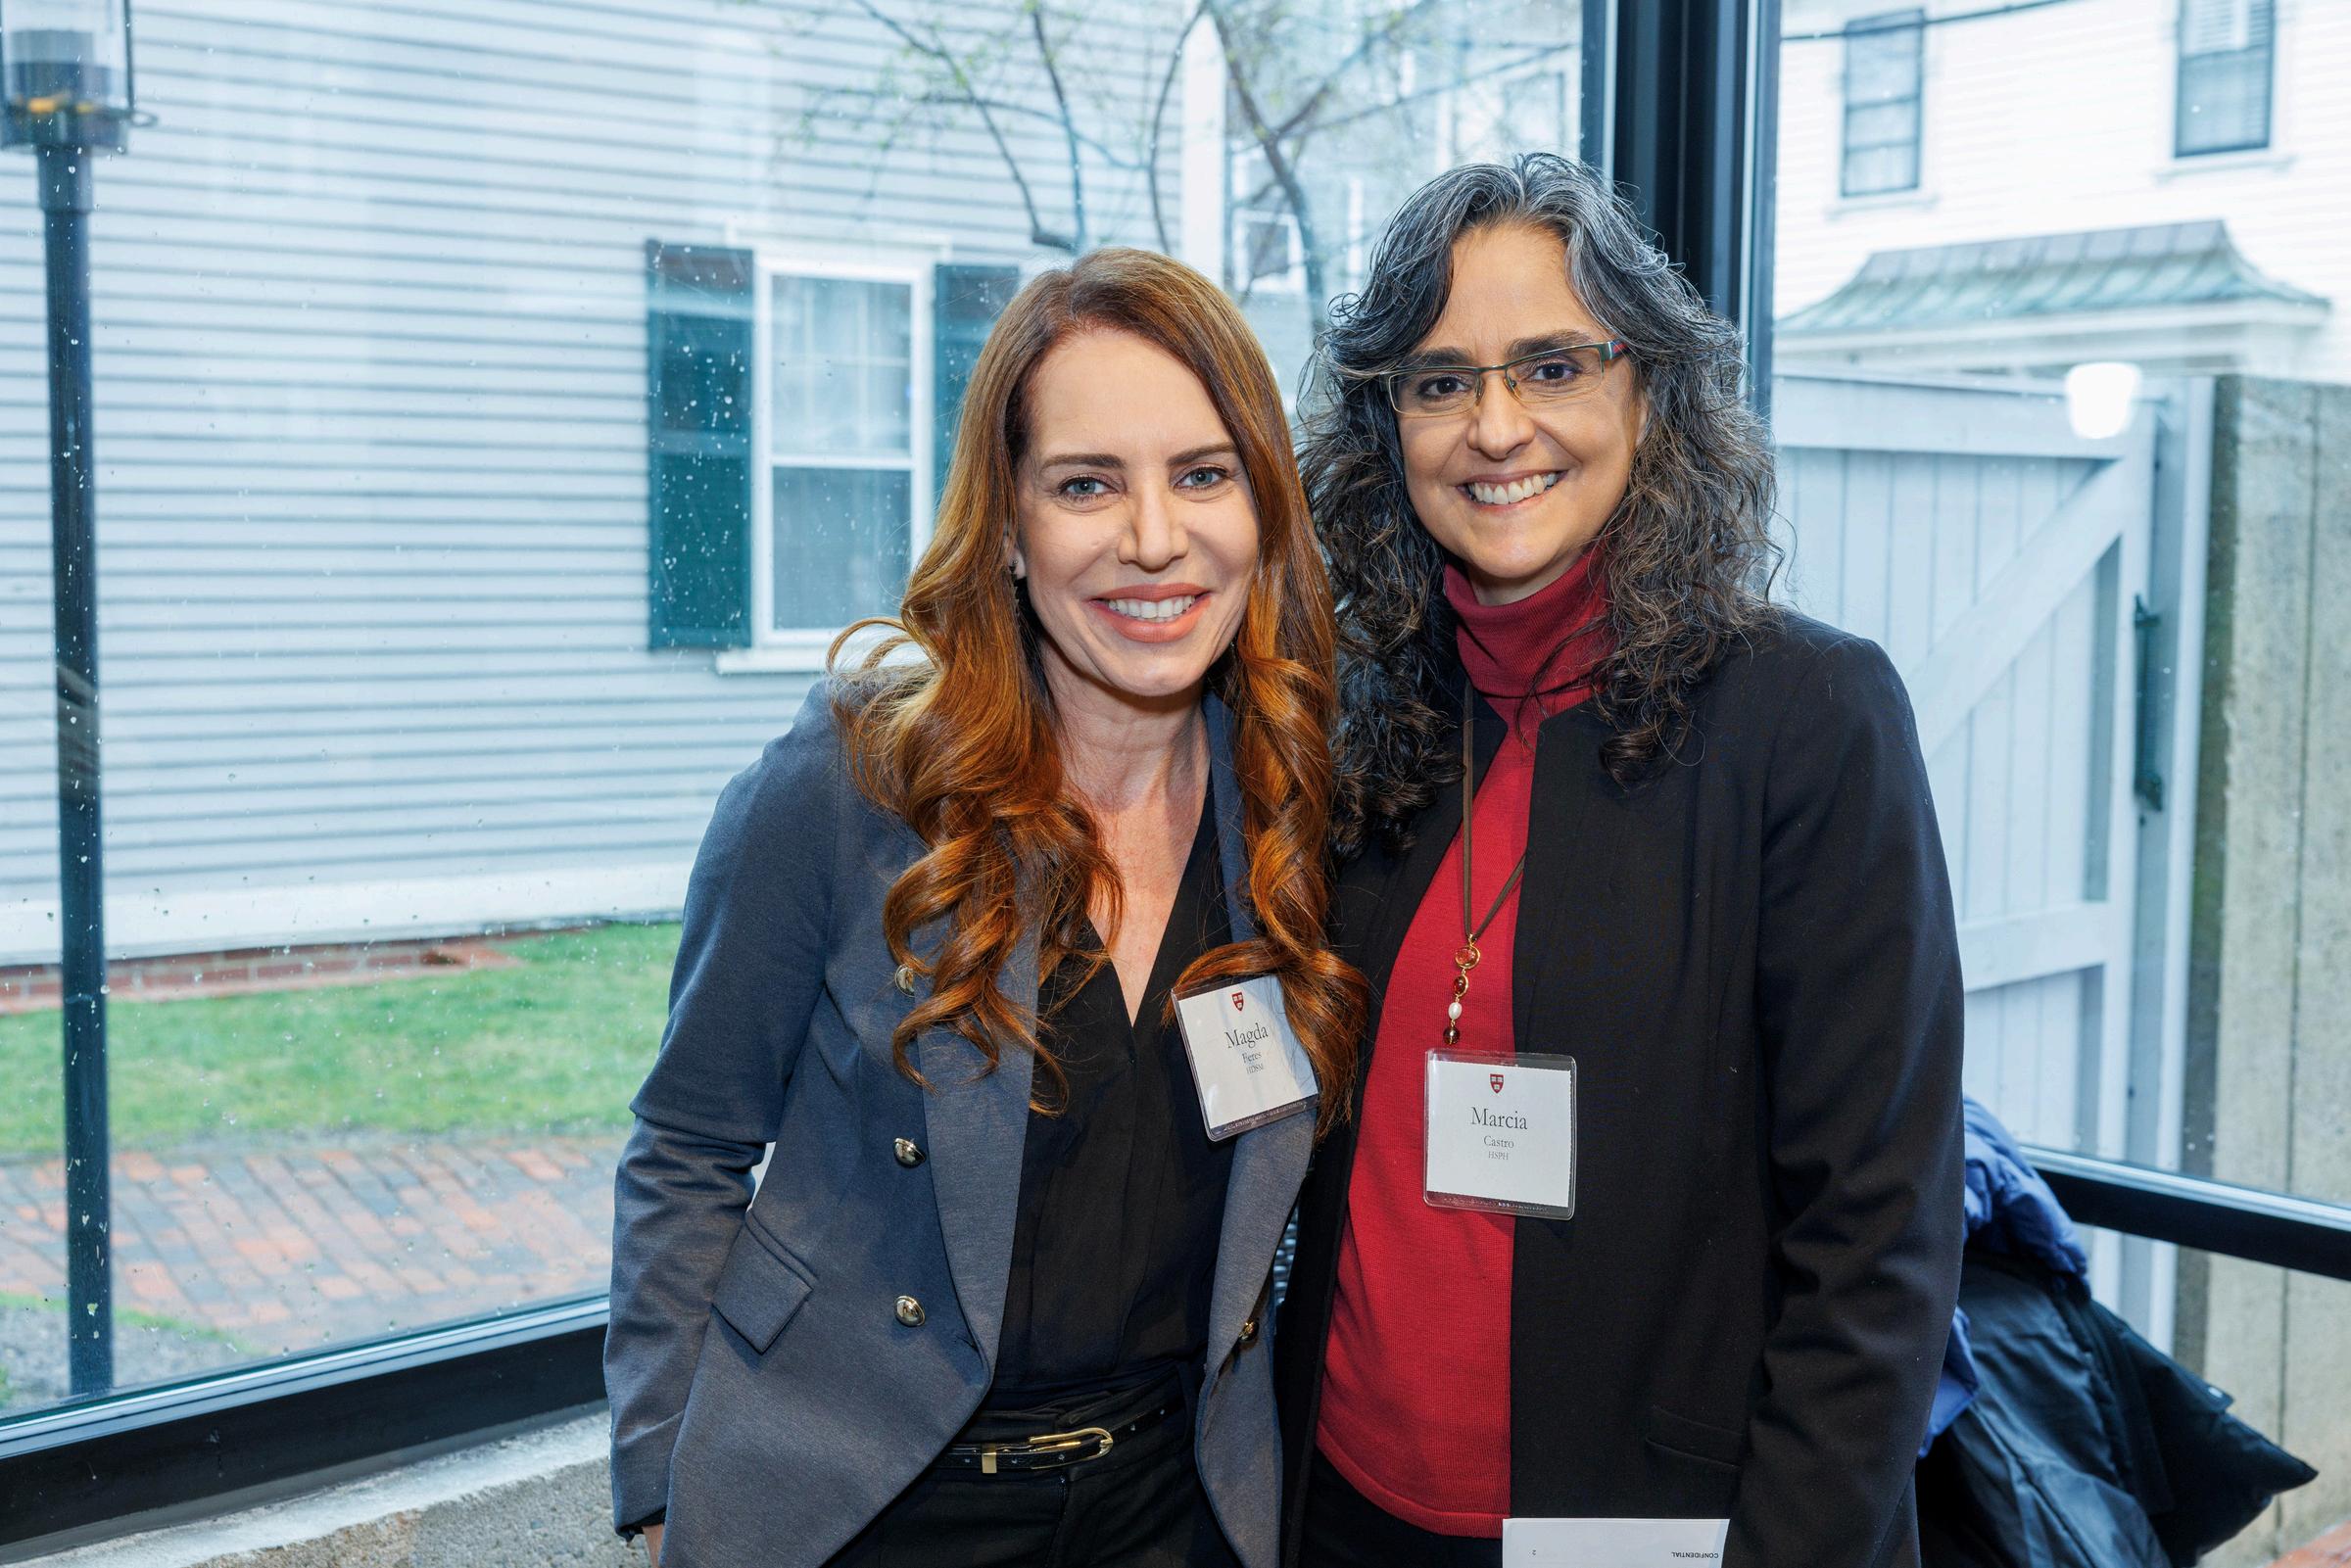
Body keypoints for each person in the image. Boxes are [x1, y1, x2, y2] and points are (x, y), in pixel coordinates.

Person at [605, 246, 1365, 1568]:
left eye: (1203, 474)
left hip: (1174, 1508)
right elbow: (686, 1144)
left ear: (1264, 509)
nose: (1153, 538)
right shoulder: (856, 780)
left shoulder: (1292, 798)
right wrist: (668, 1480)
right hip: (866, 1499)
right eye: (1086, 484)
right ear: (1009, 527)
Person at [1275, 153, 1966, 1568]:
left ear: (1648, 392)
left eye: (1552, 365)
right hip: (1337, 1508)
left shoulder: (1809, 718)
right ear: (1387, 424)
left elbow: (1879, 1246)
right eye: (1440, 381)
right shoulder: (1355, 713)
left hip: (1658, 1528)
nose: (1496, 427)